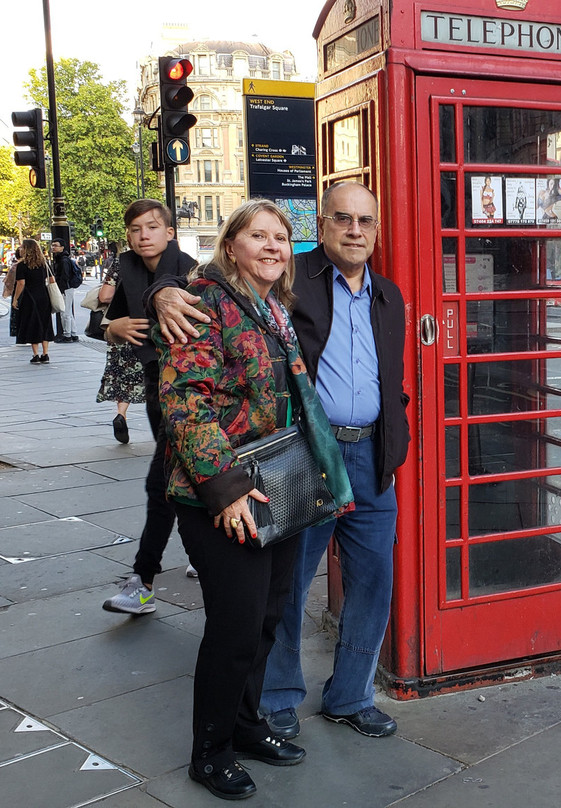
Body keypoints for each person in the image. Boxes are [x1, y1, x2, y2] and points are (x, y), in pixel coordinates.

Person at [153, 180, 410, 742]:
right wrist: (161, 292)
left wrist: (397, 435)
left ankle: (352, 695)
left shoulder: (389, 296)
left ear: (377, 230)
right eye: (342, 219)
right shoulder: (295, 279)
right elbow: (204, 280)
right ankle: (276, 698)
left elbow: (391, 378)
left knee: (374, 582)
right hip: (303, 456)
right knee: (287, 584)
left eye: (366, 221)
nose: (355, 231)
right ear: (322, 227)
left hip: (372, 456)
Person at [153, 199, 352, 801]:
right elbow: (186, 401)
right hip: (221, 493)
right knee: (235, 626)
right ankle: (208, 751)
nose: (271, 246)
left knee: (267, 617)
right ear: (231, 244)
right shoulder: (202, 301)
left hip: (277, 482)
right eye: (257, 236)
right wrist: (226, 492)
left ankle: (244, 726)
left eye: (280, 237)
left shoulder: (271, 306)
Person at [101, 200, 198, 614]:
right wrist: (112, 328)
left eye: (153, 227)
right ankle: (206, 553)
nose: (144, 235)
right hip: (156, 388)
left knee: (162, 484)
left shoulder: (191, 270)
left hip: (193, 392)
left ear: (170, 232)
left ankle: (143, 581)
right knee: (188, 478)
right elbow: (104, 325)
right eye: (136, 228)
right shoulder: (127, 268)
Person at [95, 257, 143, 444]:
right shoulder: (169, 261)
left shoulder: (120, 263)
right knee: (155, 375)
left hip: (123, 325)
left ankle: (121, 414)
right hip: (151, 324)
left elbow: (104, 296)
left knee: (124, 374)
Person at [12, 239, 55, 363]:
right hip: (44, 295)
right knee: (45, 322)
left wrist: (15, 299)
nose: (20, 249)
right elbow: (52, 280)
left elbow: (21, 283)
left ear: (27, 249)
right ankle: (45, 353)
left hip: (30, 297)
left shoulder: (22, 265)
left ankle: (35, 354)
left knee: (33, 323)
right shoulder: (44, 263)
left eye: (22, 247)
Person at [51, 240, 82, 343]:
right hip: (67, 288)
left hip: (65, 288)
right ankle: (73, 334)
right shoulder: (62, 259)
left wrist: (61, 289)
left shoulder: (63, 260)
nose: (53, 247)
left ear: (62, 247)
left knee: (65, 313)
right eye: (52, 245)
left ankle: (67, 335)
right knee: (68, 312)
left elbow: (64, 276)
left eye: (56, 245)